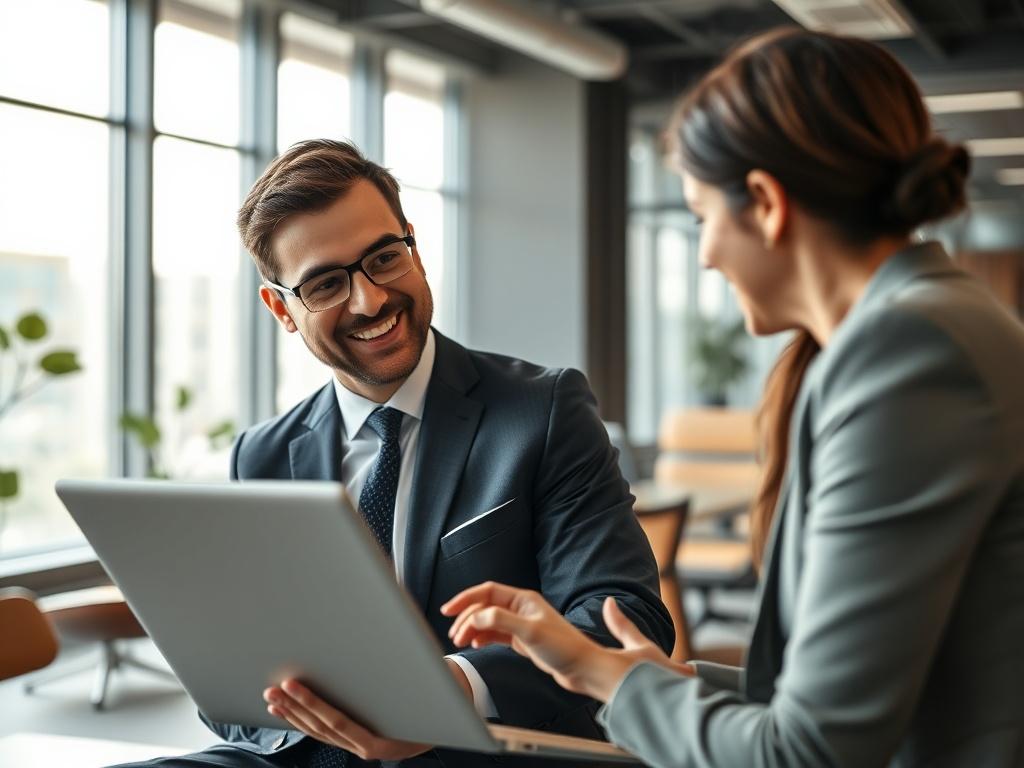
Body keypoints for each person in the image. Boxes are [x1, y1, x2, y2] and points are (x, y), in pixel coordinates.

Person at [443, 27, 1024, 768]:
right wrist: (592, 665)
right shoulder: (929, 326)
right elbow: (827, 699)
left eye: (700, 218)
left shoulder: (907, 356)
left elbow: (808, 752)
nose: (708, 253)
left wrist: (610, 682)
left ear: (764, 203)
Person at [113, 139, 673, 768]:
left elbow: (624, 618)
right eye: (326, 283)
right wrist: (270, 701)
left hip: (481, 750)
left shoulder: (543, 411)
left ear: (414, 246)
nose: (370, 300)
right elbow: (236, 697)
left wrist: (451, 693)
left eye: (383, 258)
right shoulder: (262, 454)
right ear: (282, 309)